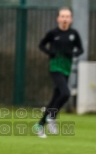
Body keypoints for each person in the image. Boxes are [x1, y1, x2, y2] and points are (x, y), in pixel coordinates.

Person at [35, 8, 83, 138]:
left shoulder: (74, 34)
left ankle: (40, 125)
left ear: (71, 19)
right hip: (55, 67)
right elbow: (41, 45)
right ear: (58, 18)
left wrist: (73, 53)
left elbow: (80, 50)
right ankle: (52, 116)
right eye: (62, 16)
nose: (65, 19)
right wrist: (50, 53)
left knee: (55, 98)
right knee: (66, 93)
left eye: (67, 16)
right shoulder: (52, 33)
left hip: (67, 67)